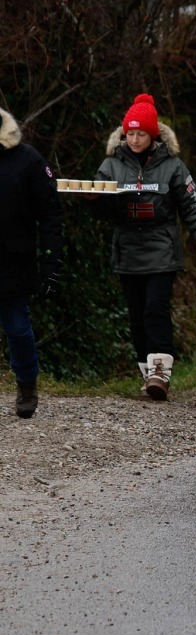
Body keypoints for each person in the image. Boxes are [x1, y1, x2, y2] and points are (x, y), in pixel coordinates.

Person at [88, 93, 196, 401]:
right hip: (127, 250)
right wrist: (92, 201)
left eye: (141, 134)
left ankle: (161, 372)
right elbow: (103, 211)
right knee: (136, 314)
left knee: (154, 309)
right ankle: (148, 375)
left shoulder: (173, 166)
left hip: (162, 249)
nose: (134, 140)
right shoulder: (110, 165)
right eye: (130, 134)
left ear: (153, 135)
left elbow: (193, 207)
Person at [0, 107, 64, 418]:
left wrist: (52, 264)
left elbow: (50, 214)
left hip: (13, 261)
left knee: (17, 328)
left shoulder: (27, 160)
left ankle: (27, 385)